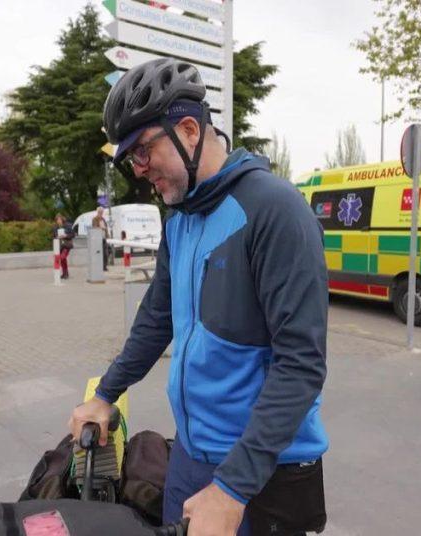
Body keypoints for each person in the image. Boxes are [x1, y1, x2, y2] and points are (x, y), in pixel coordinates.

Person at [69, 58, 328, 536]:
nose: (140, 171)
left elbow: (302, 364)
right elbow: (156, 319)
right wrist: (107, 394)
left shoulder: (274, 210)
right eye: (130, 161)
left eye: (143, 153)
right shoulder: (181, 217)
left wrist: (232, 488)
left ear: (188, 129)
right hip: (191, 455)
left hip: (260, 473)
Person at [53, 213, 74, 279]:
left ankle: (65, 273)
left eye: (59, 219)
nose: (58, 221)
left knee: (62, 257)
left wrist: (66, 235)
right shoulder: (55, 227)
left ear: (62, 219)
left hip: (67, 245)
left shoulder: (68, 225)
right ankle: (65, 273)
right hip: (59, 245)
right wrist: (57, 237)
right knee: (63, 260)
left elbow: (73, 235)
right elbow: (54, 236)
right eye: (57, 220)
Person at [92, 206, 110, 271]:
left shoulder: (103, 219)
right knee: (100, 253)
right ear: (98, 212)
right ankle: (100, 266)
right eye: (100, 212)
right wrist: (101, 227)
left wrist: (107, 234)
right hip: (98, 238)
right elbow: (94, 227)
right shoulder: (95, 219)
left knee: (106, 253)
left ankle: (104, 266)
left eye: (102, 212)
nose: (101, 213)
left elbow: (106, 228)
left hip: (104, 237)